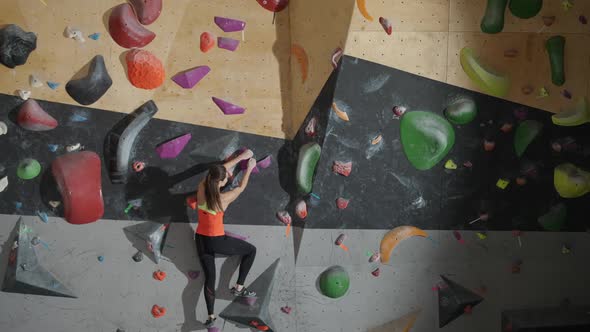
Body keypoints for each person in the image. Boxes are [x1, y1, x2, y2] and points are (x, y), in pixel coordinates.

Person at [195, 149, 258, 327]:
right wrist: (249, 167)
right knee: (251, 251)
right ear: (222, 182)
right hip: (216, 241)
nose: (227, 178)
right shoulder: (224, 198)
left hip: (200, 239)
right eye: (226, 178)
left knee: (209, 278)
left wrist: (240, 158)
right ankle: (239, 287)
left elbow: (216, 172)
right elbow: (241, 187)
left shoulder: (202, 189)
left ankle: (211, 316)